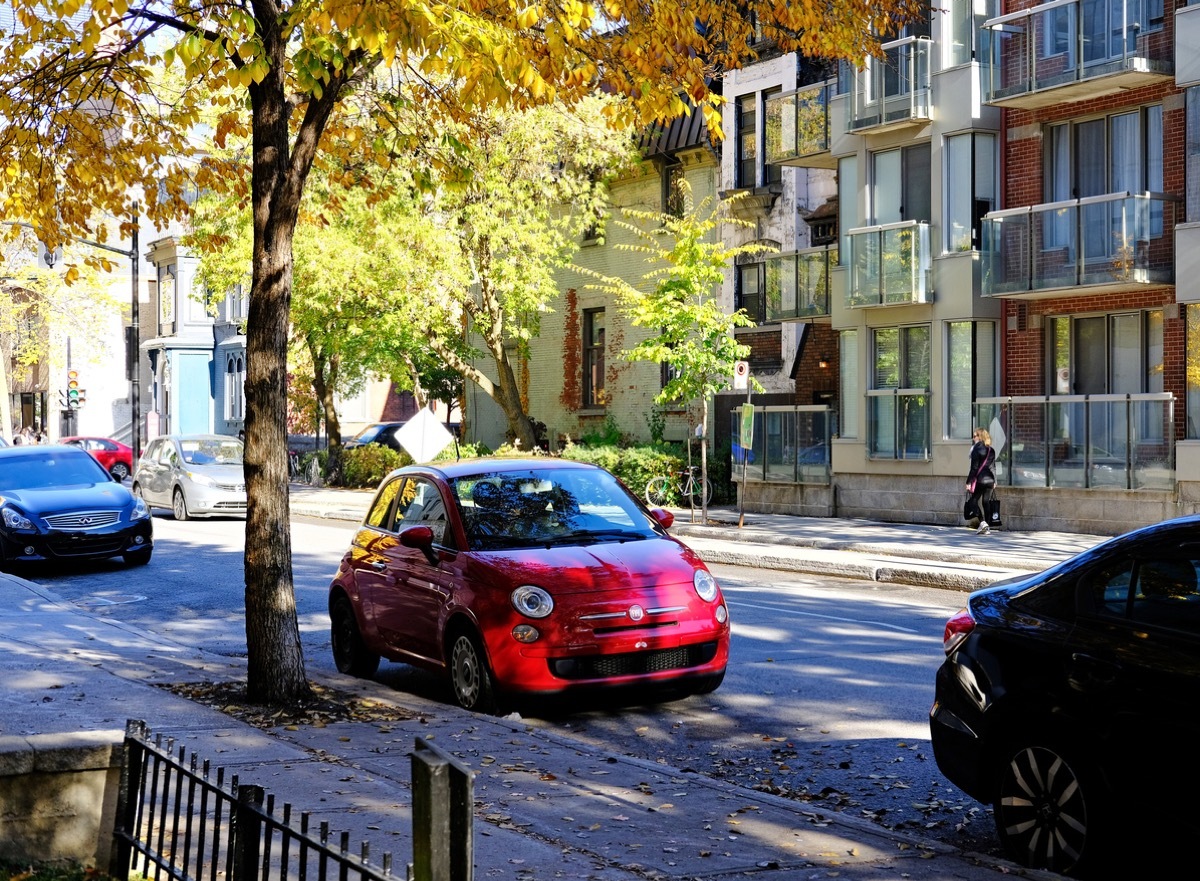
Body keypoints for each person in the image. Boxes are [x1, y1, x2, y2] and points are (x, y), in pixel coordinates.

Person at [965, 427, 996, 535]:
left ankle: (982, 522)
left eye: (974, 436)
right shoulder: (991, 450)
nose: (973, 438)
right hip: (990, 479)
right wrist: (995, 481)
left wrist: (968, 482)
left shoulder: (976, 449)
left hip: (980, 480)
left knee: (973, 501)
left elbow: (974, 468)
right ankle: (987, 527)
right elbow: (993, 467)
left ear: (980, 437)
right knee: (986, 502)